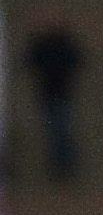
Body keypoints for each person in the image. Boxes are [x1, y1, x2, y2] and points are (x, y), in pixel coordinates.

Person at [25, 19, 83, 180]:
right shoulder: (51, 45)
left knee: (60, 131)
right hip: (53, 94)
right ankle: (62, 166)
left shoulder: (57, 45)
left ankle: (64, 165)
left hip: (57, 94)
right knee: (58, 131)